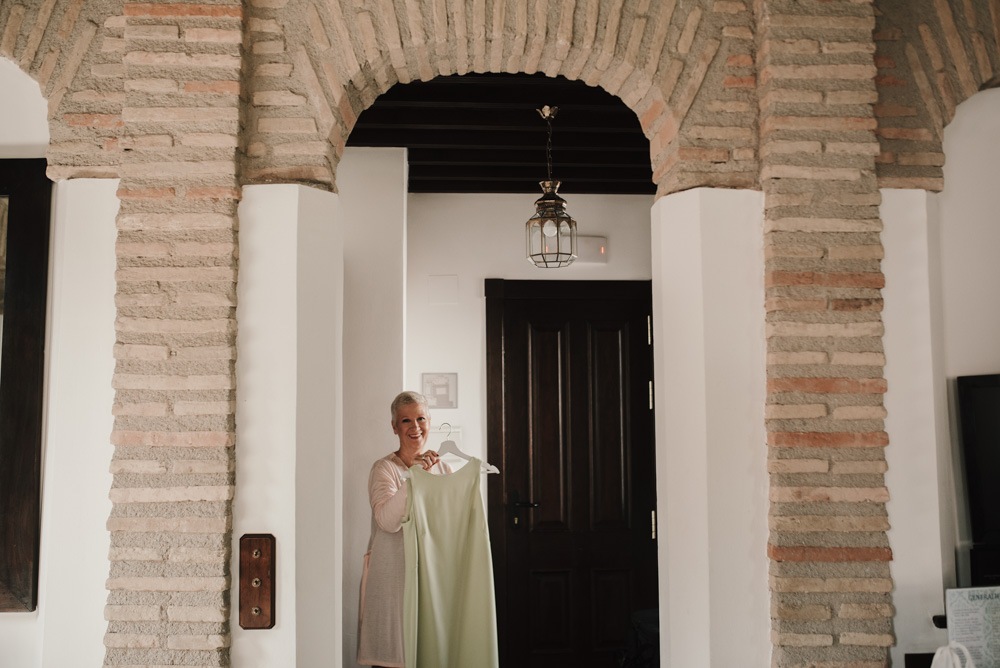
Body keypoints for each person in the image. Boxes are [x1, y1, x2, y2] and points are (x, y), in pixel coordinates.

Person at [357, 391, 451, 668]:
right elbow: (387, 521)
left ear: (429, 422)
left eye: (420, 419)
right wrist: (415, 477)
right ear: (394, 427)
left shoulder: (444, 469)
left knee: (429, 653)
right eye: (406, 420)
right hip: (393, 578)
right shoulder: (384, 469)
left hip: (430, 577)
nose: (415, 427)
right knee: (391, 655)